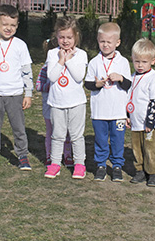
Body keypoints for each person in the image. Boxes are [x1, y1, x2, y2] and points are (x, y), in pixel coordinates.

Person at [0, 5, 33, 172]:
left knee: (18, 127)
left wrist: (28, 93)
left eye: (13, 25)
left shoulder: (20, 45)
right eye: (5, 24)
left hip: (15, 94)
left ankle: (22, 155)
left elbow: (27, 71)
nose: (9, 28)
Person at [85, 22, 132, 182]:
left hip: (118, 111)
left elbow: (128, 84)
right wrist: (96, 85)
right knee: (100, 139)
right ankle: (101, 165)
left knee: (118, 140)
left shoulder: (123, 62)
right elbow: (88, 83)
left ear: (117, 43)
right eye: (102, 41)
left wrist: (120, 78)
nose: (105, 45)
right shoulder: (94, 62)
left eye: (109, 42)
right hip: (99, 111)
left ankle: (117, 165)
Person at [44, 16, 88, 179]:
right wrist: (61, 60)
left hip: (77, 103)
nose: (65, 41)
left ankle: (79, 164)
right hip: (56, 103)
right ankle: (55, 163)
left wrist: (69, 60)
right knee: (57, 135)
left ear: (76, 36)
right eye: (62, 37)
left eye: (69, 37)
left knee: (76, 135)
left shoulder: (81, 55)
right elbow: (52, 77)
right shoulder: (52, 54)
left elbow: (78, 76)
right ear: (56, 36)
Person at [126, 39, 155, 187]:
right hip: (136, 121)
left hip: (149, 123)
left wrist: (151, 122)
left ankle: (154, 172)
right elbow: (129, 97)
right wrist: (128, 116)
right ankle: (140, 170)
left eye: (144, 62)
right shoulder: (132, 76)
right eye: (137, 62)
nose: (140, 65)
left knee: (150, 148)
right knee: (137, 148)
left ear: (152, 61)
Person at [36, 41, 74, 167]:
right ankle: (50, 156)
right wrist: (50, 85)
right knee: (51, 131)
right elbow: (38, 85)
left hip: (64, 103)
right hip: (49, 105)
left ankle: (67, 155)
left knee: (67, 131)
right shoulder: (45, 68)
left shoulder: (68, 67)